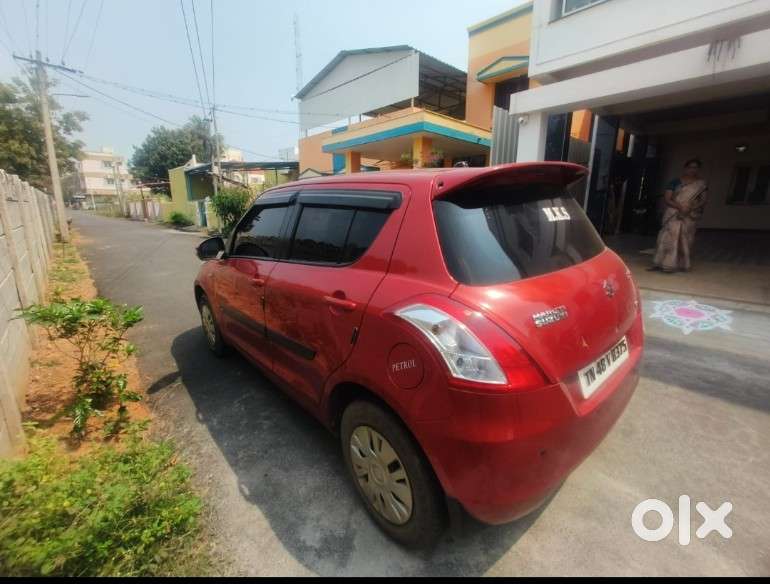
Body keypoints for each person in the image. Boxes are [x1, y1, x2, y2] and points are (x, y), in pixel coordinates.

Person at [650, 158, 709, 273]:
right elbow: (667, 199)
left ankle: (680, 265)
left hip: (689, 215)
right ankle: (661, 263)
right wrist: (680, 207)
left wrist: (690, 208)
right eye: (690, 167)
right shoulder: (675, 182)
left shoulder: (701, 185)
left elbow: (703, 200)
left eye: (695, 168)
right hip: (673, 213)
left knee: (685, 240)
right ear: (685, 168)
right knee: (667, 237)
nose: (692, 170)